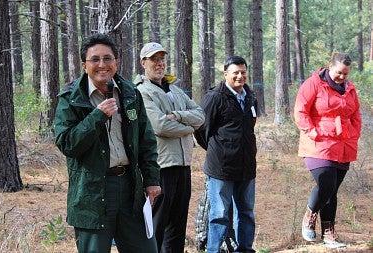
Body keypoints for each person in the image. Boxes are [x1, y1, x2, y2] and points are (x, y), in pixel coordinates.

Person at [54, 33, 161, 253]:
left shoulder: (130, 93)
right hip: (91, 192)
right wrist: (97, 116)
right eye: (95, 60)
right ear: (84, 65)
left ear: (116, 62)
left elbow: (146, 140)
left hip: (130, 188)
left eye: (107, 58)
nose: (102, 64)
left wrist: (151, 179)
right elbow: (67, 143)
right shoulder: (71, 98)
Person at [134, 42, 205, 252]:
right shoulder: (141, 92)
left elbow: (200, 115)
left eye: (162, 59)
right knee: (157, 225)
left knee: (177, 226)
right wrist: (190, 127)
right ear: (143, 63)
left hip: (183, 166)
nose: (160, 63)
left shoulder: (174, 90)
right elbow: (161, 125)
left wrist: (180, 116)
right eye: (154, 59)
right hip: (161, 168)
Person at [294, 52, 361, 248]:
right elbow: (300, 111)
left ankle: (328, 233)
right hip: (319, 143)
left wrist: (354, 134)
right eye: (339, 72)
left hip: (343, 143)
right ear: (330, 66)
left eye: (345, 74)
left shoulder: (349, 89)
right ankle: (309, 215)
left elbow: (355, 114)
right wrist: (314, 133)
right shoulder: (313, 83)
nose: (342, 77)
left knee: (333, 190)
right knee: (326, 184)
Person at [195, 55, 257, 253]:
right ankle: (214, 250)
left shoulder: (250, 96)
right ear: (226, 74)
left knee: (246, 212)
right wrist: (219, 150)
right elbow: (201, 130)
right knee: (219, 214)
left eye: (243, 72)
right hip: (221, 168)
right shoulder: (215, 97)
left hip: (246, 167)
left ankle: (245, 249)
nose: (240, 76)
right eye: (236, 72)